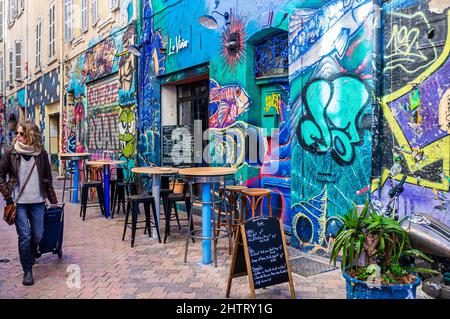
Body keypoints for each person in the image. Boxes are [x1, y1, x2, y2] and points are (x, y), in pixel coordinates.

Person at [0, 121, 57, 286]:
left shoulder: (41, 154)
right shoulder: (11, 153)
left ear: (30, 135)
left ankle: (32, 252)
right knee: (24, 236)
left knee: (38, 235)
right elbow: (0, 175)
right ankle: (27, 270)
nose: (17, 136)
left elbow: (47, 179)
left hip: (38, 201)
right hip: (19, 203)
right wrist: (8, 196)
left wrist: (53, 200)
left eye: (21, 134)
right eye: (17, 133)